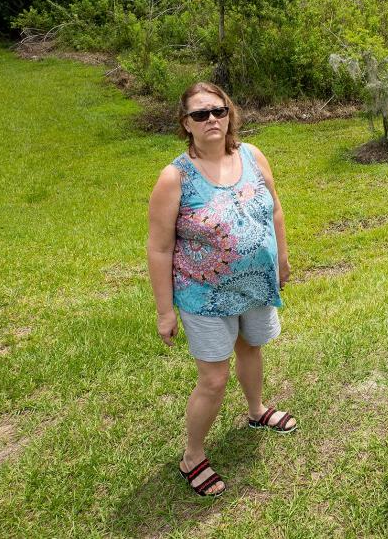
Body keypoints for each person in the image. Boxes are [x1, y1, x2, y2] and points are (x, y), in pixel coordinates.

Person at [146, 82, 296, 498]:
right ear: (186, 124)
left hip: (255, 284)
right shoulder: (174, 177)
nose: (211, 119)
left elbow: (275, 209)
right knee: (213, 379)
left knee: (252, 347)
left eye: (218, 110)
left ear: (229, 114)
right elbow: (159, 248)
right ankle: (192, 456)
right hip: (204, 295)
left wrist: (281, 258)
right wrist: (165, 311)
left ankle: (256, 410)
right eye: (200, 115)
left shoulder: (252, 155)